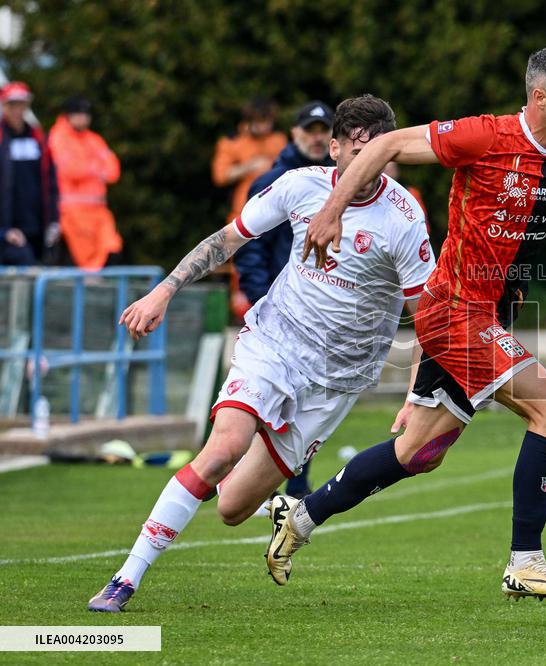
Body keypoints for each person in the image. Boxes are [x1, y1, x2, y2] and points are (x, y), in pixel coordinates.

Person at [264, 46, 546, 602]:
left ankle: (299, 518)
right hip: (455, 309)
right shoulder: (484, 136)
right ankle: (526, 561)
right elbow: (389, 144)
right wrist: (331, 212)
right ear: (540, 98)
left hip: (495, 310)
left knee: (419, 451)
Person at [87, 95, 435, 612]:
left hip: (335, 381)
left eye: (377, 151)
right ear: (333, 147)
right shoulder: (299, 186)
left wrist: (415, 396)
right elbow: (227, 240)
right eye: (354, 149)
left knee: (231, 507)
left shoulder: (404, 217)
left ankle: (274, 505)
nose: (364, 161)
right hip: (274, 343)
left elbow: (426, 316)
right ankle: (126, 578)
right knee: (223, 448)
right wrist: (164, 290)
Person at [235, 99, 336, 499]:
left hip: (317, 314)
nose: (316, 137)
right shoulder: (272, 181)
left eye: (323, 130)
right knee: (263, 401)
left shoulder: (339, 184)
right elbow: (250, 246)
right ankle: (234, 474)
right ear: (293, 134)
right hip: (278, 314)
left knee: (303, 403)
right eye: (309, 130)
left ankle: (293, 491)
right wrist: (262, 298)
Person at [48, 96, 123, 270]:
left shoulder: (94, 139)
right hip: (72, 213)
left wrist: (89, 168)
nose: (83, 117)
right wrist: (96, 168)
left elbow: (113, 171)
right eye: (79, 113)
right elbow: (71, 170)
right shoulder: (59, 137)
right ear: (69, 115)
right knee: (83, 260)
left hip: (98, 211)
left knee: (112, 248)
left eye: (86, 114)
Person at [0, 81, 59, 265]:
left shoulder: (38, 139)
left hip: (36, 228)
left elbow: (51, 182)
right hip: (8, 233)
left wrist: (54, 221)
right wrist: (3, 230)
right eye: (12, 105)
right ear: (4, 106)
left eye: (21, 105)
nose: (17, 110)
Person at [211, 97, 287, 226]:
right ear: (248, 121)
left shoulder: (279, 140)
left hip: (277, 212)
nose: (264, 126)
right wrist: (249, 167)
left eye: (267, 121)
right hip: (243, 212)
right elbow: (220, 176)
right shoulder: (233, 142)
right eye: (260, 121)